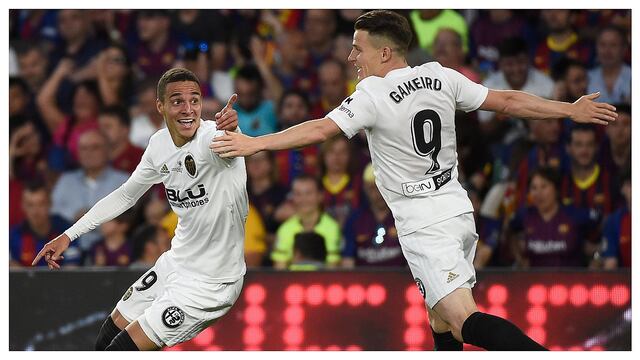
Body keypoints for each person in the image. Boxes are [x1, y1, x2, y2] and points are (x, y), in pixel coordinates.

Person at [210, 10, 617, 351]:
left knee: (461, 319)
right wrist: (569, 110)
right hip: (457, 209)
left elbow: (320, 130)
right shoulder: (442, 76)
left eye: (358, 47)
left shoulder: (371, 93)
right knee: (438, 319)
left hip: (423, 223)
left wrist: (255, 143)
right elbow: (507, 101)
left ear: (384, 52)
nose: (352, 56)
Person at [32, 68, 245, 351]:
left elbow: (236, 142)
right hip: (176, 265)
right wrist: (69, 235)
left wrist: (233, 128)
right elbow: (125, 196)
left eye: (194, 100)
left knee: (121, 352)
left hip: (211, 283)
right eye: (177, 101)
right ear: (160, 106)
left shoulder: (213, 138)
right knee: (106, 340)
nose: (188, 109)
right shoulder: (159, 145)